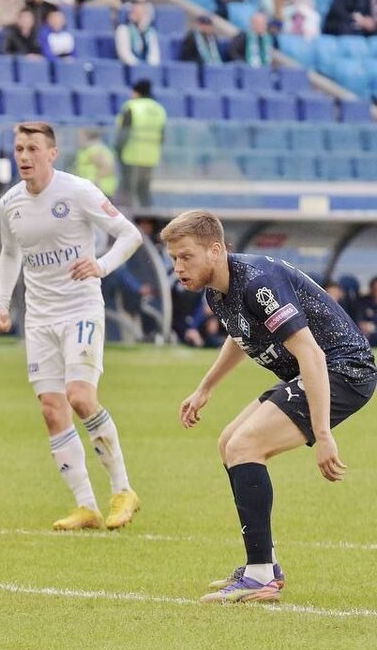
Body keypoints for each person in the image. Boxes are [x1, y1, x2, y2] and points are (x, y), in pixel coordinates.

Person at [161, 210, 376, 603]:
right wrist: (205, 388)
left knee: (245, 447)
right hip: (315, 371)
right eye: (174, 258)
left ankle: (260, 576)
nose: (178, 266)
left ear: (214, 250)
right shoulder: (218, 290)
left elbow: (311, 353)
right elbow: (241, 334)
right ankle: (265, 563)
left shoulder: (258, 284)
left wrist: (323, 434)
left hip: (343, 370)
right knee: (229, 444)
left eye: (186, 256)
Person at [0, 122, 144, 531]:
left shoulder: (77, 191)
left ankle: (122, 490)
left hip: (80, 310)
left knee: (79, 397)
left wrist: (102, 265)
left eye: (33, 149)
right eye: (19, 148)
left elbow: (129, 235)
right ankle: (86, 506)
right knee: (51, 409)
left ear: (52, 153)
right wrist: (2, 304)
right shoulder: (10, 202)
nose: (24, 156)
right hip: (39, 318)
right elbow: (10, 254)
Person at [114, 79, 166, 211]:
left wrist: (118, 151)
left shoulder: (132, 107)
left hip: (131, 156)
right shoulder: (159, 109)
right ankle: (148, 223)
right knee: (144, 192)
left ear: (137, 92)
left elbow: (124, 133)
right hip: (151, 158)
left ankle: (126, 222)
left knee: (126, 191)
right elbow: (162, 136)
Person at [72, 128, 118, 198]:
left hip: (99, 189)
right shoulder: (88, 149)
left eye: (81, 137)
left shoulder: (95, 150)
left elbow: (108, 167)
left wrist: (95, 181)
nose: (78, 139)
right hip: (91, 189)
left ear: (87, 137)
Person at [114, 0, 162, 66]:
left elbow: (154, 56)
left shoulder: (150, 32)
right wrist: (139, 67)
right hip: (131, 69)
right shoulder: (123, 30)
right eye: (137, 11)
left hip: (148, 70)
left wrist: (150, 68)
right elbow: (125, 56)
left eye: (144, 12)